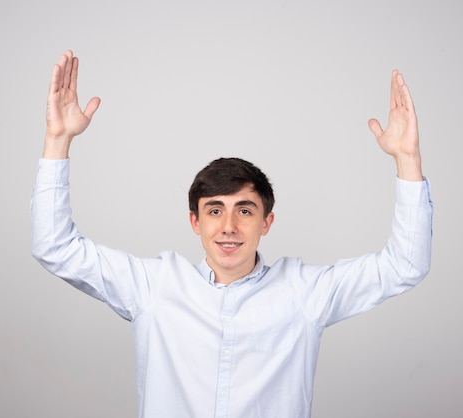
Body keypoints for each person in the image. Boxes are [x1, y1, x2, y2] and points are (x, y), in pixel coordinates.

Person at [31, 50, 433, 418]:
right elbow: (55, 247)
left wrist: (407, 158)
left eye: (245, 210)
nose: (229, 227)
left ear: (267, 222)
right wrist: (58, 139)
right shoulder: (153, 286)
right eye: (214, 211)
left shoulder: (304, 291)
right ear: (195, 222)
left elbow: (405, 265)